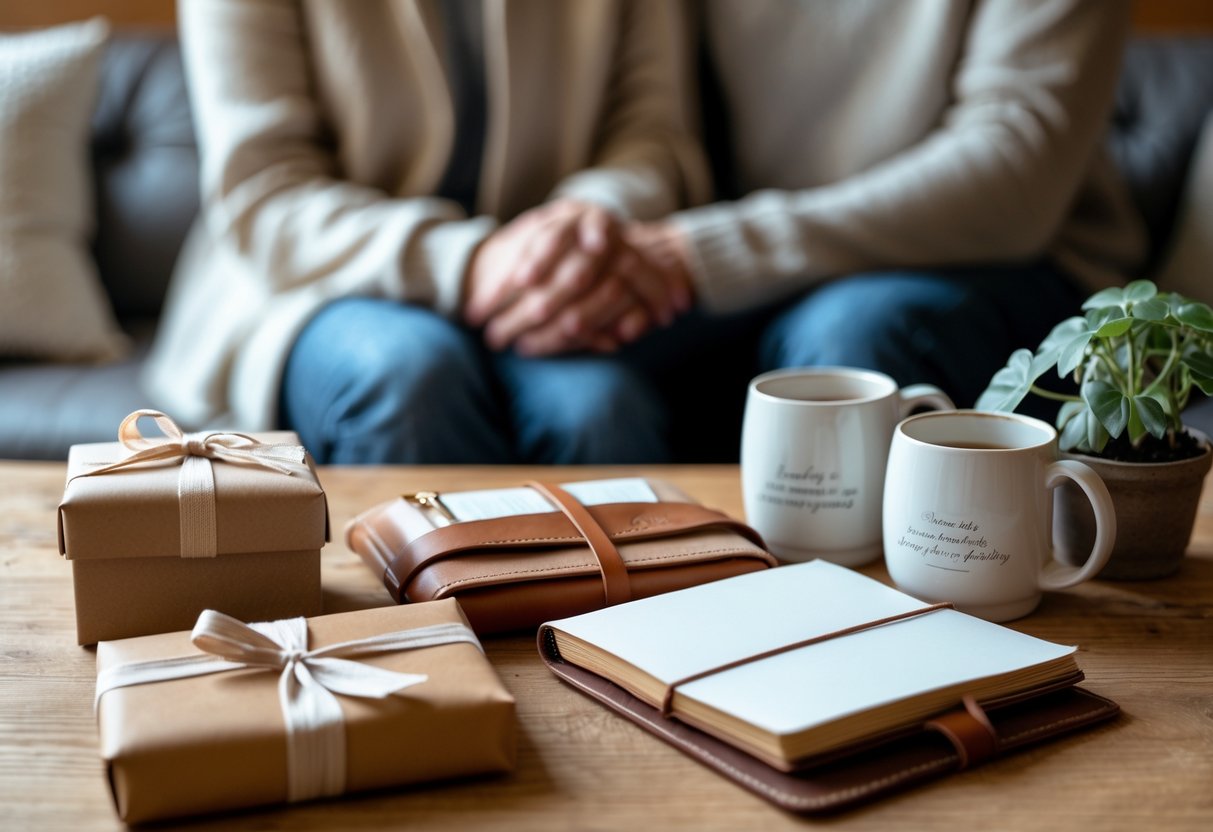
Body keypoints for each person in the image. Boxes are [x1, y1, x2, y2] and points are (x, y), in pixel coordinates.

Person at [478, 0, 1148, 459]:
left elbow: (1012, 175)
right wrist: (576, 250)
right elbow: (653, 122)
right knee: (562, 344)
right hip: (760, 262)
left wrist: (702, 254)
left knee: (849, 344)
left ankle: (850, 640)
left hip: (997, 259)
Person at [144, 0, 708, 463]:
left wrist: (584, 228)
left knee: (599, 410)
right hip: (315, 277)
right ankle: (418, 604)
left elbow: (652, 136)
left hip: (551, 278)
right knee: (408, 377)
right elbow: (267, 195)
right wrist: (474, 261)